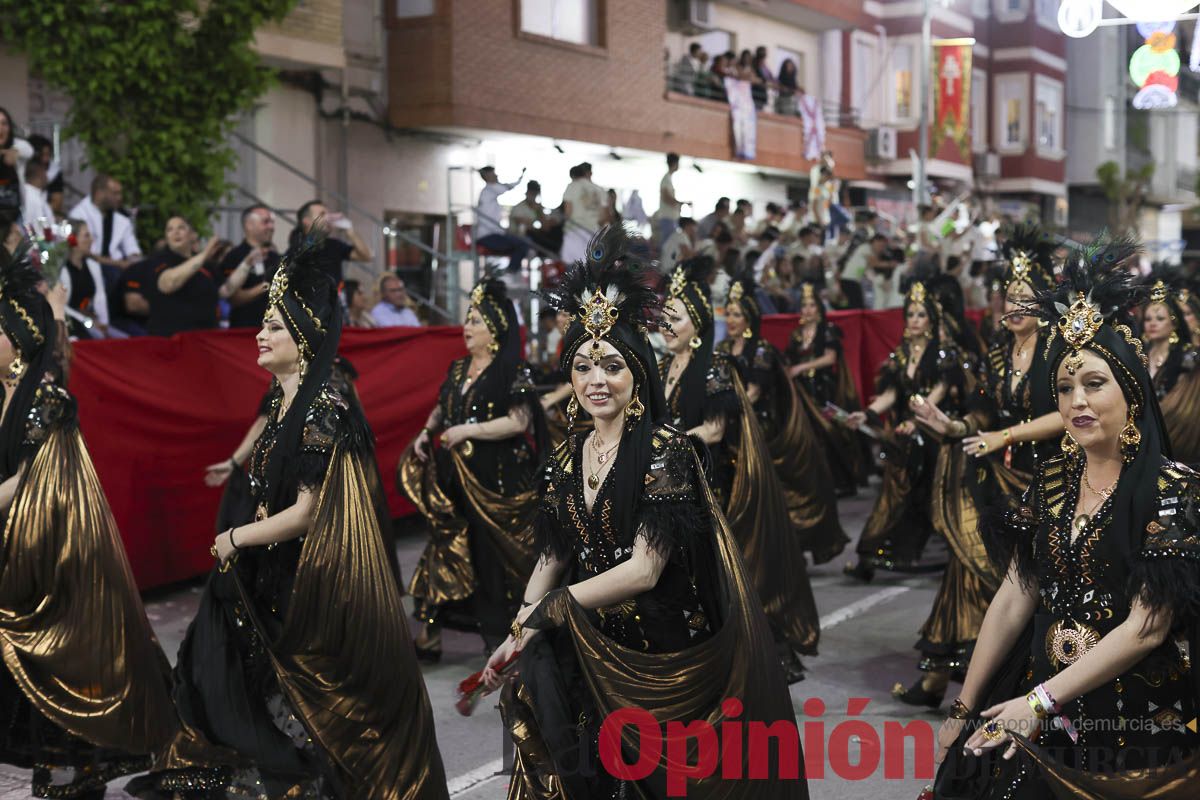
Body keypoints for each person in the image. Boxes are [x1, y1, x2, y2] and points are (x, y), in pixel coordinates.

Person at [485, 226, 808, 799]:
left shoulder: (665, 450)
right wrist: (518, 625)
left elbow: (645, 570)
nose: (594, 381)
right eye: (583, 367)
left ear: (637, 374)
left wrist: (552, 609)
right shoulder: (566, 456)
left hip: (663, 655)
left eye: (610, 365)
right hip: (593, 637)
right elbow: (556, 550)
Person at [140, 235, 448, 799]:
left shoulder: (322, 409)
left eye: (275, 327)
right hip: (269, 570)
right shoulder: (282, 402)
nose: (260, 334)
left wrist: (235, 536)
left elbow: (307, 513)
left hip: (308, 584)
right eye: (263, 324)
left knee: (306, 696)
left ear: (304, 336)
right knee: (226, 664)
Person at [933, 238, 1200, 800]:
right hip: (1041, 702)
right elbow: (1015, 593)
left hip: (1132, 724)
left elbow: (1147, 627)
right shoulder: (1052, 480)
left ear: (1131, 394)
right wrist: (965, 703)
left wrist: (1038, 703)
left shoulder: (1173, 489)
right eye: (1063, 388)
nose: (1076, 400)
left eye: (1094, 384)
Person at [0, 243, 177, 798]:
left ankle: (74, 768)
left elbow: (34, 479)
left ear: (17, 339)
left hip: (52, 557)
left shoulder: (44, 401)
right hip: (12, 548)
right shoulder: (6, 396)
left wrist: (55, 311)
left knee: (59, 665)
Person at [899, 225, 1064, 709]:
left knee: (1022, 579)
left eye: (1024, 297)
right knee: (966, 564)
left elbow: (1067, 414)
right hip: (995, 476)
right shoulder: (998, 349)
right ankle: (945, 678)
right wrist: (950, 425)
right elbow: (983, 410)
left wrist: (1005, 436)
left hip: (1048, 480)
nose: (1013, 306)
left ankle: (1012, 677)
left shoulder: (1058, 350)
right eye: (1008, 297)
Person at [662, 258, 820, 682]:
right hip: (668, 485)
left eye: (673, 318)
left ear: (695, 321)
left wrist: (673, 442)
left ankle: (768, 653)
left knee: (730, 575)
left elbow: (715, 429)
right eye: (662, 317)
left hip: (711, 488)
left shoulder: (714, 368)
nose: (665, 324)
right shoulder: (660, 369)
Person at [400, 276, 548, 659]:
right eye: (467, 319)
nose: (467, 327)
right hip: (455, 480)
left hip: (496, 481)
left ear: (496, 329)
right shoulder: (458, 368)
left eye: (476, 321)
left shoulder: (512, 370)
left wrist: (468, 429)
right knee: (447, 547)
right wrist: (426, 431)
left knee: (490, 558)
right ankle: (430, 635)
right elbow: (442, 405)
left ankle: (503, 634)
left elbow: (519, 422)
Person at [841, 269, 967, 580]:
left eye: (920, 314)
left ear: (931, 319)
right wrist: (866, 413)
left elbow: (936, 395)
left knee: (941, 502)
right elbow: (891, 394)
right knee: (894, 497)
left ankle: (961, 562)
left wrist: (915, 421)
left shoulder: (944, 353)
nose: (913, 319)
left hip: (938, 435)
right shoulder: (901, 355)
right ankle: (868, 560)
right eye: (910, 313)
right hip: (909, 440)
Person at [721, 271, 849, 565]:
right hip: (730, 423)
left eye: (736, 314)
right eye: (727, 313)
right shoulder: (722, 350)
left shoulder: (763, 351)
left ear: (749, 317)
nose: (730, 319)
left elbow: (753, 392)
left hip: (764, 424)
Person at [786, 280, 867, 497]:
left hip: (824, 390)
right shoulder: (796, 335)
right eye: (804, 305)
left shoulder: (828, 330)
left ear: (819, 308)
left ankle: (842, 481)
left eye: (812, 305)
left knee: (830, 432)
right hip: (803, 392)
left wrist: (801, 367)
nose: (807, 309)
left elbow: (830, 358)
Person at [1139, 267, 1200, 466]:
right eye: (1148, 319)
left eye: (1160, 319)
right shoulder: (1137, 355)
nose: (1153, 324)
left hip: (1179, 445)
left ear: (1173, 323)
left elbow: (1187, 409)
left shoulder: (1187, 359)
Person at [146, 217, 237, 336]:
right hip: (171, 338)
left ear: (193, 235)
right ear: (166, 237)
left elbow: (225, 290)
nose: (176, 232)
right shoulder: (159, 260)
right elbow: (168, 284)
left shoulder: (205, 264)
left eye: (181, 228)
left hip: (205, 337)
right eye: (170, 229)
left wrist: (247, 263)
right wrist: (205, 253)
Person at [220, 204, 280, 329]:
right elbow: (232, 298)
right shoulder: (234, 256)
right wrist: (267, 286)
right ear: (249, 225)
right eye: (265, 222)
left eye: (272, 222)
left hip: (274, 330)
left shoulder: (276, 257)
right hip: (245, 332)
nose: (271, 227)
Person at [67, 174, 141, 273]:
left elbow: (132, 249)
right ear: (99, 194)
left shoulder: (122, 217)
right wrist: (117, 263)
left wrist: (133, 260)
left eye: (120, 193)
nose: (120, 198)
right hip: (88, 267)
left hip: (119, 268)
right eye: (115, 193)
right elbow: (81, 252)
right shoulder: (78, 215)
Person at [288, 200, 373, 285]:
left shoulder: (334, 245)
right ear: (306, 221)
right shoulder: (296, 250)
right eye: (322, 214)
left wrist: (350, 231)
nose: (327, 218)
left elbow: (366, 256)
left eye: (328, 214)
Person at [59, 218, 109, 338]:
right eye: (86, 236)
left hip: (90, 319)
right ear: (73, 240)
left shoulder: (93, 266)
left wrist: (104, 322)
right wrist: (86, 321)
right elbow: (63, 306)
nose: (91, 240)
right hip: (71, 322)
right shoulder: (62, 270)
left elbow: (100, 296)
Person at [475, 166, 529, 273]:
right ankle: (509, 270)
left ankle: (504, 270)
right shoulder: (489, 190)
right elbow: (508, 187)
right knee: (522, 244)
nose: (496, 176)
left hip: (494, 234)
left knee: (522, 244)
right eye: (493, 173)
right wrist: (520, 178)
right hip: (488, 236)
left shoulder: (490, 191)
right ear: (487, 176)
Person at [560, 163, 607, 264]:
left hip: (575, 230)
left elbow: (568, 211)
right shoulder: (600, 190)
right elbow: (604, 217)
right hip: (594, 233)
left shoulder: (572, 186)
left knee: (572, 267)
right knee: (590, 266)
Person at [0, 108, 30, 225]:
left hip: (15, 217)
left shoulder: (16, 146)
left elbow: (29, 150)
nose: (1, 128)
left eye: (4, 123)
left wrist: (15, 151)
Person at [656, 152, 682, 245]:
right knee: (667, 243)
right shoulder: (666, 179)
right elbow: (666, 198)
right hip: (667, 217)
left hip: (671, 217)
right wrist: (680, 203)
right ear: (675, 163)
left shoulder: (668, 179)